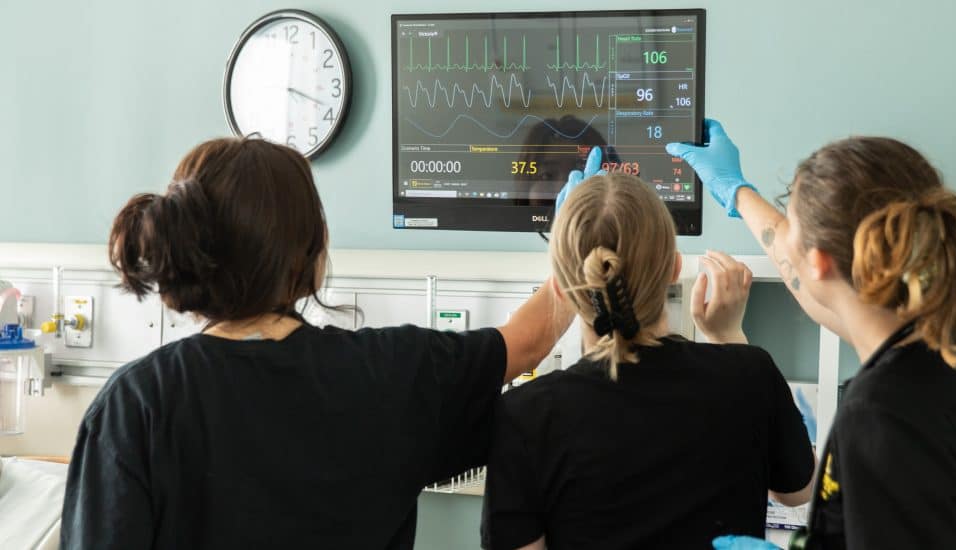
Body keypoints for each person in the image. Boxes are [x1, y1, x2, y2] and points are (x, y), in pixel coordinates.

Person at [60, 137, 574, 549]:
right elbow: (526, 345)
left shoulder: (135, 407)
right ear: (313, 257)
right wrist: (579, 231)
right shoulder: (399, 374)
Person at [667, 121, 956, 549]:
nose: (784, 235)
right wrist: (737, 191)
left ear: (819, 264)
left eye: (790, 222)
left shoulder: (879, 419)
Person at [480, 166, 816, 550]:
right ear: (674, 267)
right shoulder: (749, 375)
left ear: (560, 287)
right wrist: (728, 336)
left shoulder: (525, 416)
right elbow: (799, 490)